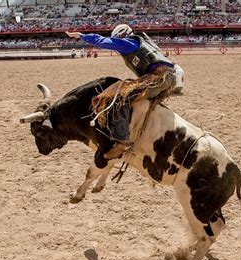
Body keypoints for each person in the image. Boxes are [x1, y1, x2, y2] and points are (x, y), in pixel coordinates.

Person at [66, 24, 176, 159]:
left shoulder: (128, 43)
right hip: (167, 78)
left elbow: (102, 41)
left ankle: (121, 142)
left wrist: (81, 36)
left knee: (120, 99)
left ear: (122, 36)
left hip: (157, 79)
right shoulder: (144, 42)